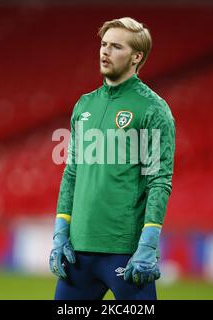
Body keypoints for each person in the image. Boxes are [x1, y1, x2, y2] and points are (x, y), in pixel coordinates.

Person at [49, 17, 176, 300]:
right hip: (78, 253)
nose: (105, 51)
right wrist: (61, 232)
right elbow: (71, 173)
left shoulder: (153, 109)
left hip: (126, 253)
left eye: (116, 46)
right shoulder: (84, 104)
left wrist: (148, 243)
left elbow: (159, 180)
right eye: (103, 44)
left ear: (136, 57)